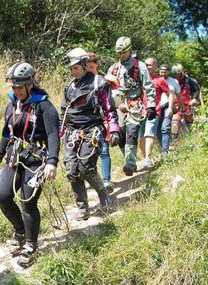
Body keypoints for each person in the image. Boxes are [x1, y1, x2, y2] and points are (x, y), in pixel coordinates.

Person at [0, 62, 60, 268]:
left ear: (30, 84)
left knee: (28, 202)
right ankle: (19, 230)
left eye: (19, 87)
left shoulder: (44, 106)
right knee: (2, 196)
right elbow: (7, 134)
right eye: (13, 87)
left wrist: (52, 162)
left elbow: (53, 135)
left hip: (37, 160)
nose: (16, 91)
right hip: (15, 157)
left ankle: (31, 244)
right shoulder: (12, 104)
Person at [60, 48, 120, 219]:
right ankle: (82, 208)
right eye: (71, 69)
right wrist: (56, 136)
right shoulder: (69, 87)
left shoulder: (99, 83)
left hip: (93, 131)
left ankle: (104, 197)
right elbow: (63, 114)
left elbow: (110, 109)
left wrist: (114, 129)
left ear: (85, 65)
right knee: (72, 169)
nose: (73, 72)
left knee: (85, 168)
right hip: (72, 133)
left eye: (76, 68)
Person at [107, 36, 156, 176]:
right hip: (119, 106)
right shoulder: (114, 69)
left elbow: (149, 86)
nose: (121, 55)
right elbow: (107, 90)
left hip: (135, 104)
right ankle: (129, 158)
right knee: (121, 136)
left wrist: (151, 105)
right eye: (119, 53)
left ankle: (130, 163)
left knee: (132, 133)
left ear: (130, 50)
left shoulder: (139, 66)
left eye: (123, 52)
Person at [87, 52, 114, 193]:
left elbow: (110, 104)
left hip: (102, 121)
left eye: (91, 66)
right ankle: (94, 180)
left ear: (96, 65)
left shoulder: (103, 81)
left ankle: (106, 180)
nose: (89, 69)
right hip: (86, 123)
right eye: (87, 67)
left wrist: (111, 123)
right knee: (91, 152)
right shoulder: (81, 83)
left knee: (104, 150)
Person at [139, 58, 173, 167]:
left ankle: (148, 157)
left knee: (149, 133)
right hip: (140, 112)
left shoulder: (159, 80)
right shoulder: (140, 79)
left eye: (150, 65)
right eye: (146, 65)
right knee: (141, 138)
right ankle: (146, 158)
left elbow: (170, 93)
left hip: (154, 111)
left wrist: (170, 107)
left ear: (155, 67)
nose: (147, 67)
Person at [159, 63, 184, 156]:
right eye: (161, 71)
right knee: (158, 129)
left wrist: (183, 108)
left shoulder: (174, 82)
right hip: (157, 107)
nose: (163, 73)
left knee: (165, 128)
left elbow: (179, 96)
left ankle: (164, 151)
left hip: (168, 107)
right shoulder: (155, 80)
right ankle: (161, 147)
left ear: (168, 72)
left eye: (165, 71)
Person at [171, 64, 200, 130]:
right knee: (174, 125)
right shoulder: (172, 81)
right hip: (176, 106)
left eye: (177, 74)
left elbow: (196, 90)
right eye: (174, 74)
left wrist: (194, 99)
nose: (175, 76)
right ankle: (176, 140)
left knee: (190, 126)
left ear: (181, 72)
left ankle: (191, 138)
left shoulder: (190, 81)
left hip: (188, 106)